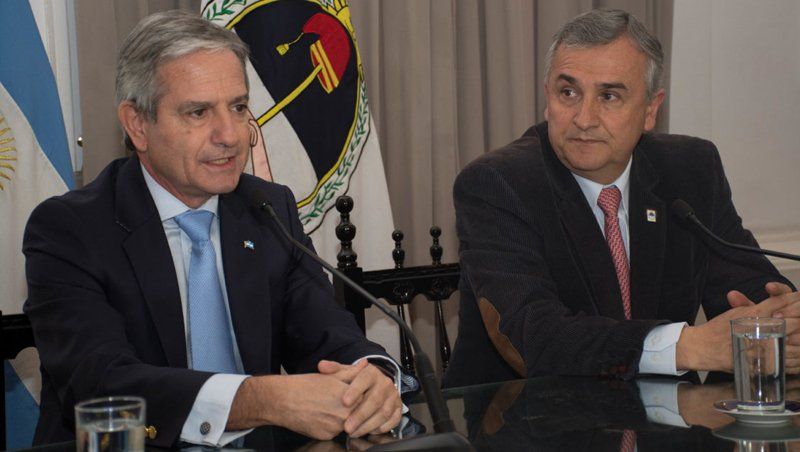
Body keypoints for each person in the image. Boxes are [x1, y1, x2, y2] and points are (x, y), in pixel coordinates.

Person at [23, 10, 403, 448]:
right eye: (199, 112)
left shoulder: (267, 209)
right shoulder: (70, 230)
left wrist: (370, 377)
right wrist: (257, 399)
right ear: (138, 125)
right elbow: (102, 384)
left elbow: (326, 333)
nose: (230, 135)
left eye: (238, 107)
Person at [443, 8, 800, 388]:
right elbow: (535, 338)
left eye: (609, 96)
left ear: (650, 110)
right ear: (548, 98)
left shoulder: (691, 169)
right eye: (568, 93)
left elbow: (750, 291)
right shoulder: (499, 184)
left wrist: (783, 321)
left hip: (664, 415)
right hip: (521, 414)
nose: (584, 118)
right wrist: (686, 346)